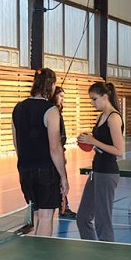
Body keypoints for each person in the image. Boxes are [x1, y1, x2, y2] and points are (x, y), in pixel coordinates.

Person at [12, 68, 69, 236]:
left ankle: (35, 252)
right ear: (52, 85)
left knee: (35, 215)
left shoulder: (18, 108)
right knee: (45, 216)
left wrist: (26, 165)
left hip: (25, 170)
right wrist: (63, 177)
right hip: (46, 171)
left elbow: (16, 143)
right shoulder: (51, 110)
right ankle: (43, 252)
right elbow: (55, 148)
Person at [76, 82, 125, 242]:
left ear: (105, 97)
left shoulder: (114, 118)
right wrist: (87, 141)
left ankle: (107, 254)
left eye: (94, 99)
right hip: (96, 171)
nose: (92, 103)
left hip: (107, 173)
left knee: (103, 223)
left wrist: (93, 141)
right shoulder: (100, 116)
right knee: (83, 218)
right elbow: (100, 144)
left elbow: (119, 150)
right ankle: (93, 251)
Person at [50, 86, 77, 218]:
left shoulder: (58, 112)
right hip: (55, 154)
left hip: (60, 151)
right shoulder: (52, 113)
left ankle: (64, 207)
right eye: (60, 96)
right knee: (60, 181)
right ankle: (62, 208)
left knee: (61, 181)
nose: (62, 99)